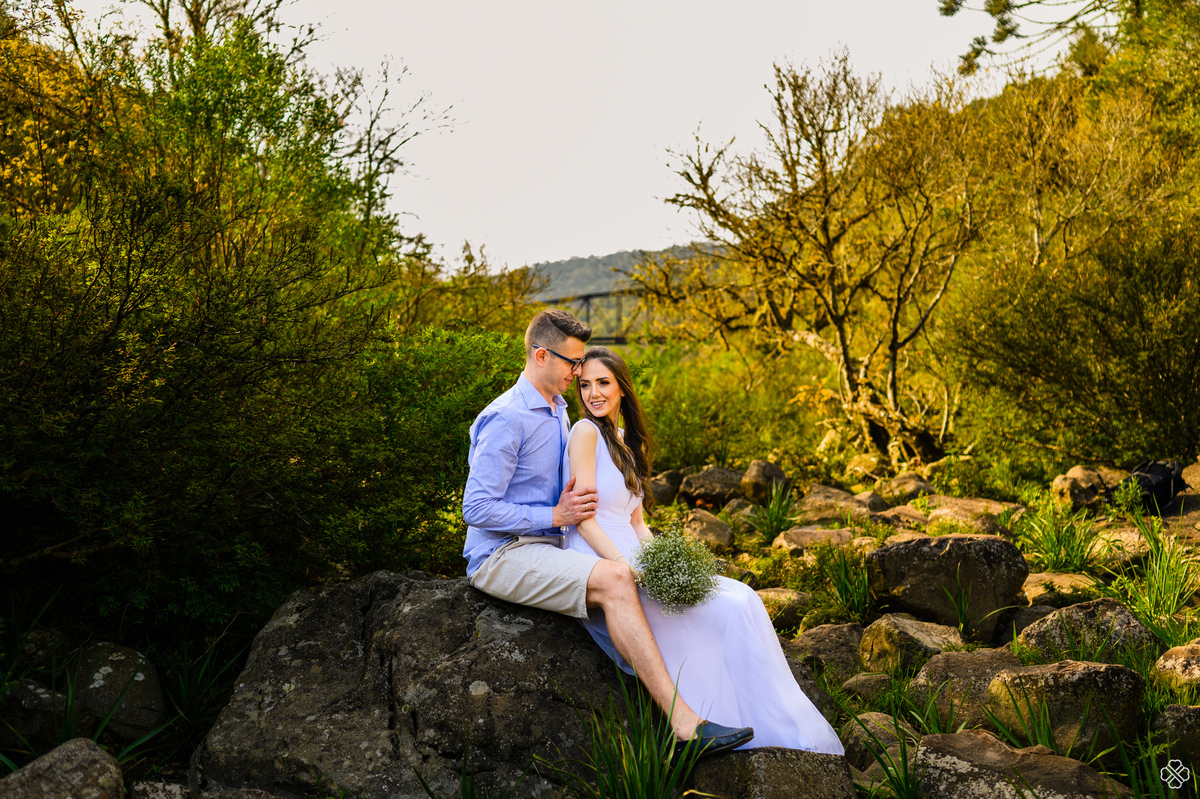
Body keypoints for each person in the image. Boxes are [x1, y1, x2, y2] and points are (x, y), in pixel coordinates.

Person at [462, 309, 754, 758]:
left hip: (552, 547)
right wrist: (554, 516)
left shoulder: (559, 409)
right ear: (541, 355)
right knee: (617, 579)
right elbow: (476, 508)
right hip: (503, 554)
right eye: (572, 364)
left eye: (585, 366)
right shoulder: (507, 417)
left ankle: (720, 698)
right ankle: (685, 728)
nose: (579, 374)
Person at [563, 345, 844, 754]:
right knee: (723, 611)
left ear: (622, 387)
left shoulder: (627, 442)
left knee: (743, 596)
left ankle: (771, 721)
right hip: (600, 558)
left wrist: (666, 566)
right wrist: (626, 566)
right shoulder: (584, 432)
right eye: (585, 385)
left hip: (632, 554)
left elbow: (637, 522)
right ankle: (715, 723)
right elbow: (584, 519)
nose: (593, 393)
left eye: (603, 383)